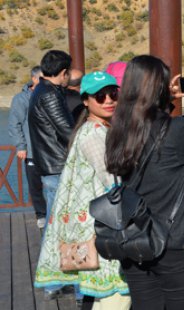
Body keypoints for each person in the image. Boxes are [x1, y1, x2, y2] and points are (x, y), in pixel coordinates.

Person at [105, 55, 184, 310]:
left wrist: (165, 101)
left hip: (134, 240)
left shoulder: (118, 130)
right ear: (160, 88)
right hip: (175, 245)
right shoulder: (179, 131)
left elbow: (151, 129)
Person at [34, 71, 131, 309]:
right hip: (99, 230)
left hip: (88, 227)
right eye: (100, 96)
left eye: (113, 93)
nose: (108, 100)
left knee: (99, 296)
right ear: (86, 101)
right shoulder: (94, 134)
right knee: (117, 296)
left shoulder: (91, 129)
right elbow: (112, 182)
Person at [28, 50, 74, 230]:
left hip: (52, 165)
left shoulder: (43, 89)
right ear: (64, 73)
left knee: (55, 220)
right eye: (69, 72)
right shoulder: (49, 94)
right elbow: (67, 131)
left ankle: (50, 257)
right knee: (55, 223)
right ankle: (47, 258)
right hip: (56, 166)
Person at [8, 66, 47, 227]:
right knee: (35, 185)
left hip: (51, 150)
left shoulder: (50, 94)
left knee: (56, 183)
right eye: (43, 79)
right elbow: (14, 124)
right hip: (31, 150)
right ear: (34, 79)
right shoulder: (21, 99)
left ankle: (56, 213)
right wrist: (21, 146)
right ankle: (41, 214)